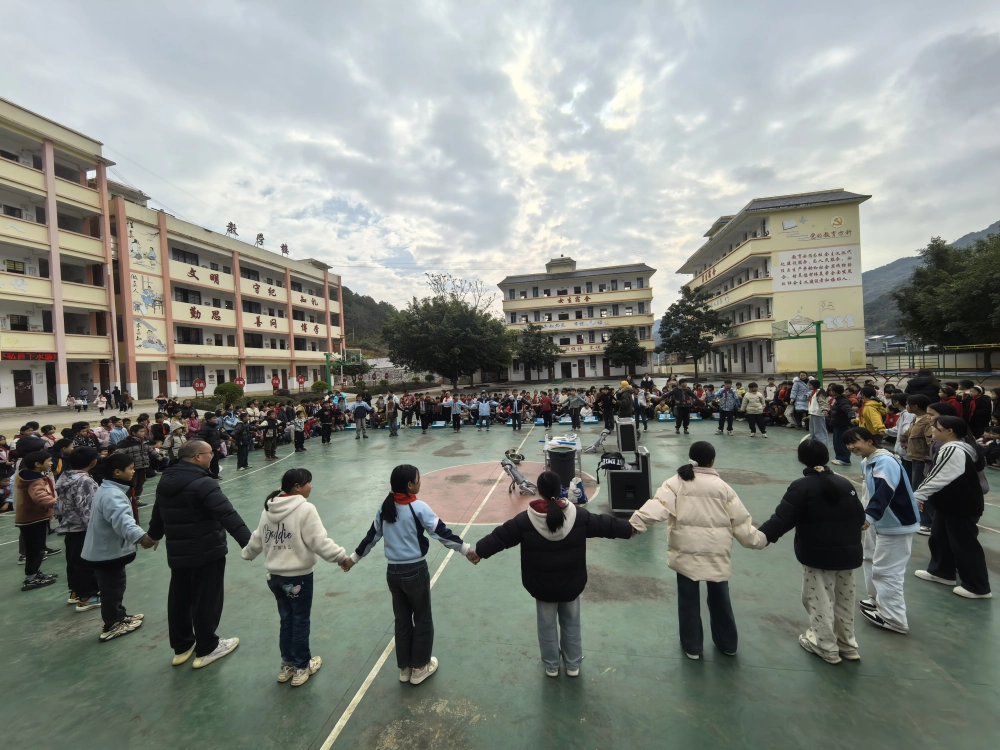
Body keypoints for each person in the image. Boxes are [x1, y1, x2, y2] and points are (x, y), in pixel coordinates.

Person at [474, 470, 633, 677]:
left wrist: (478, 552)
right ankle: (573, 665)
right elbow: (606, 525)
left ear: (539, 492)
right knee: (572, 624)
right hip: (571, 584)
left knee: (546, 626)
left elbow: (500, 537)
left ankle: (551, 666)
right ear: (560, 490)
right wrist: (630, 529)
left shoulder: (525, 520)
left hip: (542, 586)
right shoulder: (579, 516)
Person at [629, 441, 767, 659]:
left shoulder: (675, 482)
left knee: (688, 600)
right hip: (716, 553)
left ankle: (692, 647)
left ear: (690, 458)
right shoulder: (724, 488)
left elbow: (658, 506)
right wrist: (760, 540)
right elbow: (741, 523)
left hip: (686, 551)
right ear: (712, 461)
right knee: (721, 600)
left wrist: (634, 525)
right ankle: (728, 644)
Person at [342, 464, 475, 685]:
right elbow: (441, 532)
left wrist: (353, 559)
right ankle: (420, 667)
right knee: (422, 618)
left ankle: (405, 669)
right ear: (410, 485)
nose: (420, 482)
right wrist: (466, 550)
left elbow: (371, 537)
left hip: (393, 573)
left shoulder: (385, 507)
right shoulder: (418, 507)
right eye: (418, 479)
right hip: (415, 571)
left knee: (402, 620)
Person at [759, 439, 865, 664]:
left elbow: (782, 519)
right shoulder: (845, 483)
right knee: (845, 598)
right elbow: (860, 516)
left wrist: (761, 537)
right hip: (848, 554)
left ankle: (826, 646)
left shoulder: (801, 486)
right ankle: (847, 645)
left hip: (818, 555)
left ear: (801, 460)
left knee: (818, 599)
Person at [147, 440, 252, 669]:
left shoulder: (166, 480)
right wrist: (249, 543)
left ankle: (182, 646)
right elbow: (227, 514)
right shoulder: (204, 483)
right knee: (206, 599)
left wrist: (153, 535)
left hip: (178, 552)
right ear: (197, 457)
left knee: (180, 598)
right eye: (209, 453)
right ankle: (208, 648)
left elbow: (158, 511)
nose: (212, 456)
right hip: (206, 551)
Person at [242, 468, 350, 686]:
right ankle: (302, 666)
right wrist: (341, 557)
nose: (312, 486)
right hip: (298, 578)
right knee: (300, 620)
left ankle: (287, 665)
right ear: (297, 487)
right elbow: (319, 541)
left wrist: (248, 553)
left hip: (275, 578)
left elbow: (258, 537)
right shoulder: (305, 509)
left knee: (286, 620)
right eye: (308, 482)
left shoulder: (269, 508)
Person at [842, 427, 919, 634]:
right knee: (869, 559)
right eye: (848, 444)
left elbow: (884, 491)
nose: (851, 447)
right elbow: (868, 494)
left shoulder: (885, 461)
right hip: (878, 522)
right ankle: (877, 600)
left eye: (855, 442)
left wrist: (869, 516)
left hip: (895, 524)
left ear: (870, 441)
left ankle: (894, 618)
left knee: (888, 570)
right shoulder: (868, 461)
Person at [912, 416, 992, 599]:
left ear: (950, 431)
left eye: (936, 427)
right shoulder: (959, 447)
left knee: (964, 544)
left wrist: (918, 496)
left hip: (961, 505)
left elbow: (938, 476)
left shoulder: (953, 449)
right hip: (948, 503)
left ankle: (978, 587)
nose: (933, 430)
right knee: (940, 537)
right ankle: (942, 572)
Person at [81, 452, 156, 641]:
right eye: (130, 469)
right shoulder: (112, 495)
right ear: (117, 472)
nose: (133, 471)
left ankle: (119, 616)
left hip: (107, 550)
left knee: (115, 586)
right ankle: (112, 624)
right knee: (111, 590)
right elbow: (122, 520)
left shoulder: (109, 489)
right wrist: (142, 537)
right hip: (106, 553)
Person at [55, 447, 102, 611]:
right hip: (83, 528)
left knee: (74, 561)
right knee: (86, 562)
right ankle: (88, 596)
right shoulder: (85, 481)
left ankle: (76, 591)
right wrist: (97, 528)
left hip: (69, 525)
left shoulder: (65, 476)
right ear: (93, 462)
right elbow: (88, 508)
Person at [15, 450, 61, 592]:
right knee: (36, 550)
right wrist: (57, 503)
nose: (51, 463)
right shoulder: (34, 480)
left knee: (35, 549)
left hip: (33, 517)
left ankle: (34, 573)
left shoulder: (31, 476)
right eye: (49, 461)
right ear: (37, 464)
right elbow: (39, 496)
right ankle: (31, 579)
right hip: (33, 519)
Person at [806, 379, 830, 444]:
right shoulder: (813, 392)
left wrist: (824, 410)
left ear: (815, 385)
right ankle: (814, 445)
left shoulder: (820, 392)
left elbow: (823, 402)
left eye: (810, 385)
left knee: (820, 432)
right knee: (813, 432)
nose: (809, 386)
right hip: (813, 413)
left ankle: (823, 445)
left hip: (818, 414)